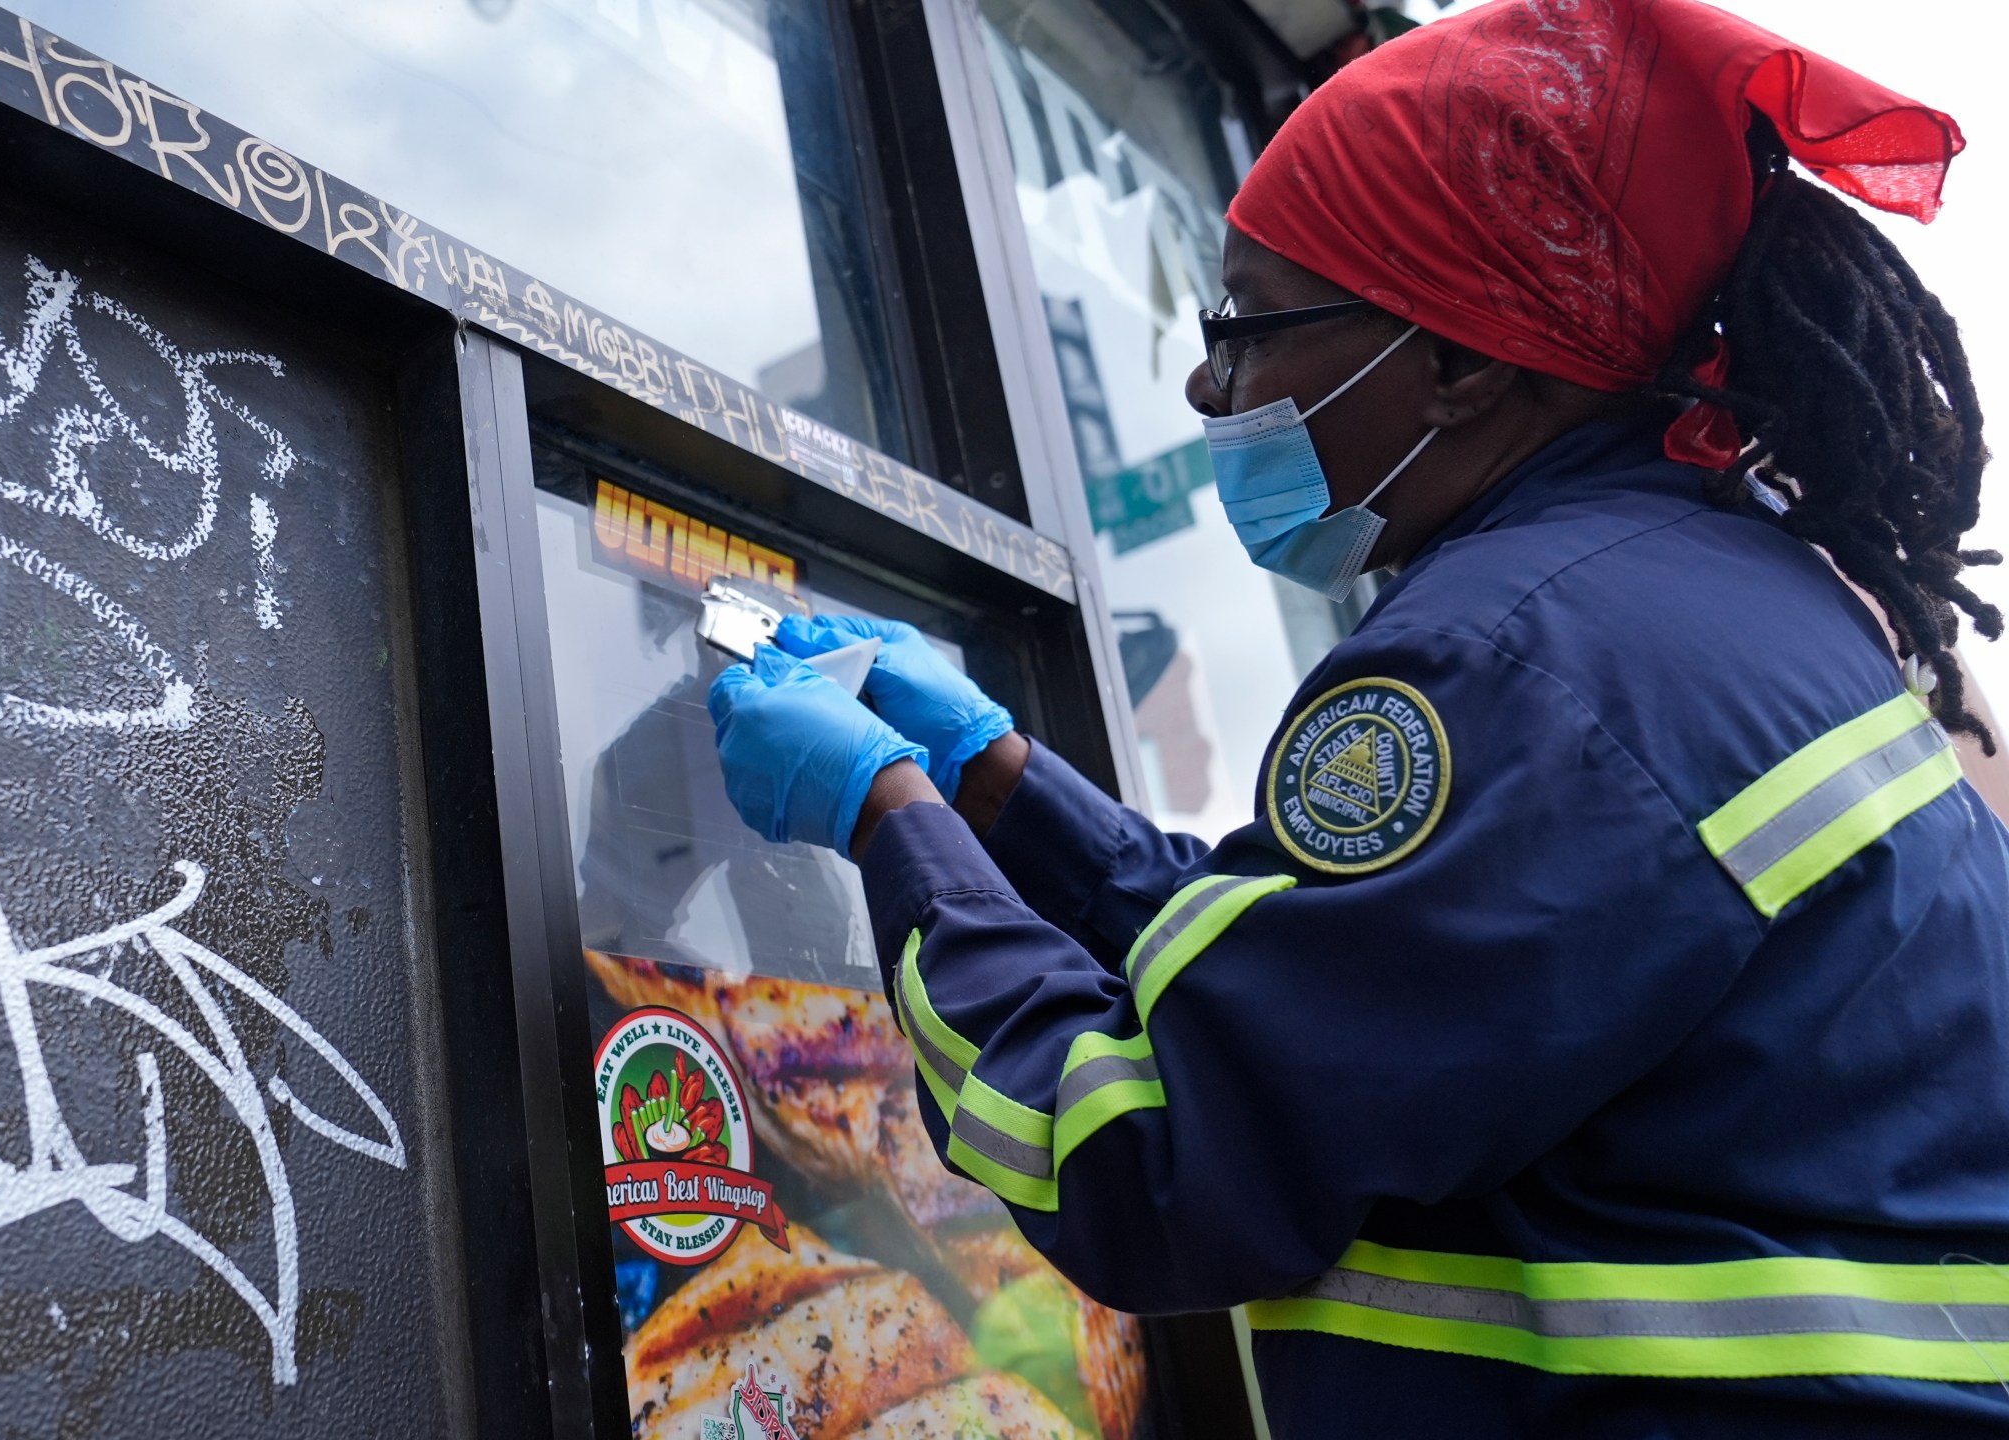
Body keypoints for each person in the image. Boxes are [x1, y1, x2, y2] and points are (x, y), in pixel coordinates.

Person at [704, 0, 2009, 1433]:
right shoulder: (1711, 600)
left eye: (1249, 323)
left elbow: (1145, 1160)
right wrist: (995, 777)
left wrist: (889, 816)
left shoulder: (1511, 662)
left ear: (1458, 363)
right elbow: (1351, 983)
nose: (1207, 381)